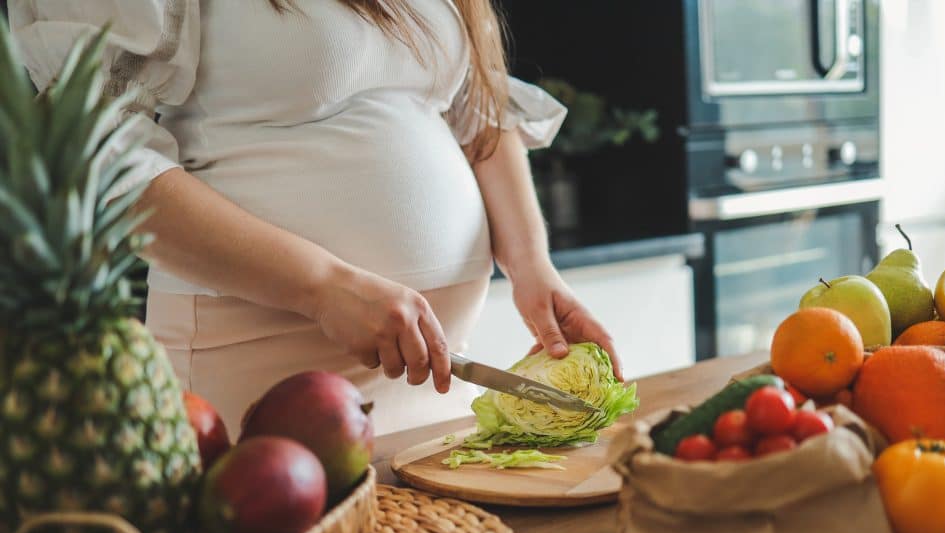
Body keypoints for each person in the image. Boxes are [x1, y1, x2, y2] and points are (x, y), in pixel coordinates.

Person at [10, 0, 622, 436]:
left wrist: (533, 267)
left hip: (437, 370)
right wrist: (324, 287)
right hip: (263, 370)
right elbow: (101, 148)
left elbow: (479, 113)